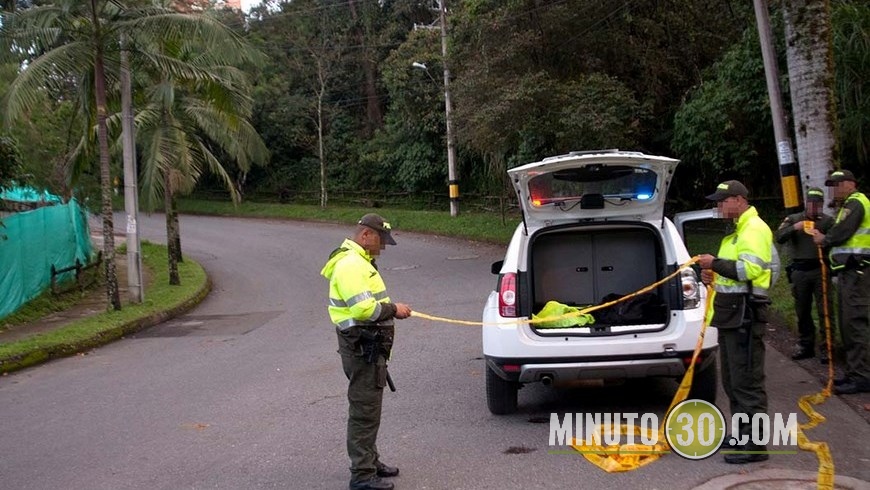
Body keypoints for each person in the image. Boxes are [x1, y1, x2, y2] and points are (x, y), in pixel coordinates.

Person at [320, 213, 413, 490]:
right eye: (380, 241)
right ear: (365, 235)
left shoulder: (360, 261)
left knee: (370, 410)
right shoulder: (350, 265)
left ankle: (370, 462)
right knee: (364, 411)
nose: (382, 247)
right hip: (362, 348)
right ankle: (362, 476)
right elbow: (364, 309)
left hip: (368, 347)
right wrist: (393, 309)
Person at [697, 180, 774, 464]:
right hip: (732, 316)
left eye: (722, 200)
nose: (718, 205)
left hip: (746, 316)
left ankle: (754, 445)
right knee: (732, 381)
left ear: (739, 200)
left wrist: (714, 264)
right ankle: (743, 434)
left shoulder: (754, 229)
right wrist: (711, 276)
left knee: (747, 382)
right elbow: (730, 274)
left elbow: (750, 269)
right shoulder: (735, 234)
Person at [812, 170, 870, 395]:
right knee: (848, 323)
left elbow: (842, 232)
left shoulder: (856, 203)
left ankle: (862, 376)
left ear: (850, 184)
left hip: (858, 272)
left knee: (855, 323)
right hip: (850, 273)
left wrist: (824, 239)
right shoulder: (849, 204)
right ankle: (855, 372)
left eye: (837, 184)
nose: (834, 189)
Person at [774, 187, 835, 363]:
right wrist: (795, 228)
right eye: (811, 204)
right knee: (802, 310)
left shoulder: (827, 222)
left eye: (818, 204)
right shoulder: (794, 219)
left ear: (822, 205)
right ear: (806, 203)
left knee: (825, 310)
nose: (814, 208)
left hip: (820, 269)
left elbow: (835, 240)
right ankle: (806, 345)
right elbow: (779, 236)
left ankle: (828, 348)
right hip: (800, 270)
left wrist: (823, 237)